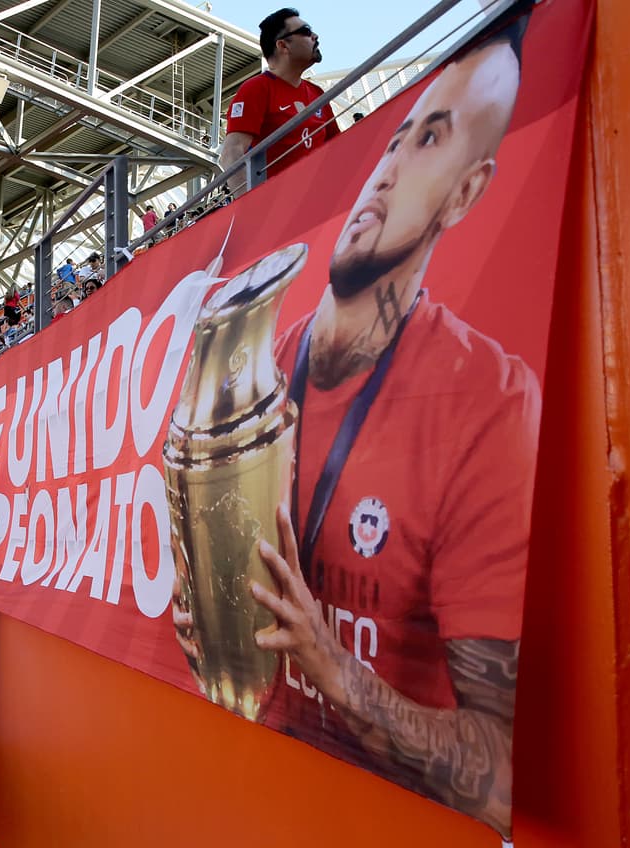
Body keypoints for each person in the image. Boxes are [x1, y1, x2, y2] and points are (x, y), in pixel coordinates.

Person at [173, 28, 530, 837]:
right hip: (258, 796)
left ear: (468, 192)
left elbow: (505, 776)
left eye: (430, 139)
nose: (385, 169)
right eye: (393, 138)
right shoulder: (271, 357)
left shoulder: (489, 406)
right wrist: (221, 636)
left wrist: (328, 665)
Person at [220, 7, 340, 192]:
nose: (315, 36)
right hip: (278, 207)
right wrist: (252, 206)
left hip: (319, 199)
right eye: (306, 31)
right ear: (283, 45)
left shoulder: (317, 93)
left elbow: (338, 149)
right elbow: (230, 153)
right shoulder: (257, 88)